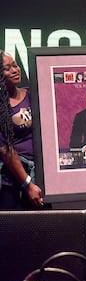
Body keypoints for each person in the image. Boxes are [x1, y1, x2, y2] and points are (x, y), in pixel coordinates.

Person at [0, 50, 44, 209]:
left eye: (15, 65)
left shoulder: (32, 95)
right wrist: (27, 184)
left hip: (39, 176)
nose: (14, 70)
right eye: (7, 68)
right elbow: (5, 150)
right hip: (12, 184)